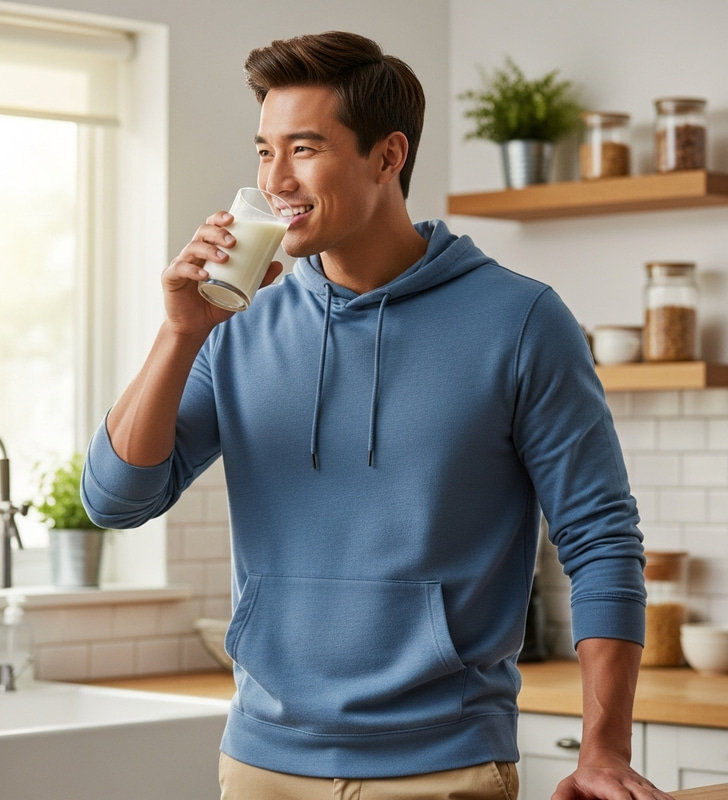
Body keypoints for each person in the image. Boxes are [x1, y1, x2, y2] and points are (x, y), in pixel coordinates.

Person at [82, 31, 673, 800]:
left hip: (444, 766)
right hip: (263, 764)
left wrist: (603, 749)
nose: (276, 180)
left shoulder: (521, 321)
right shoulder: (240, 325)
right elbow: (115, 500)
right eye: (264, 152)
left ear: (388, 157)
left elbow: (601, 541)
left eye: (304, 149)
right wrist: (180, 333)